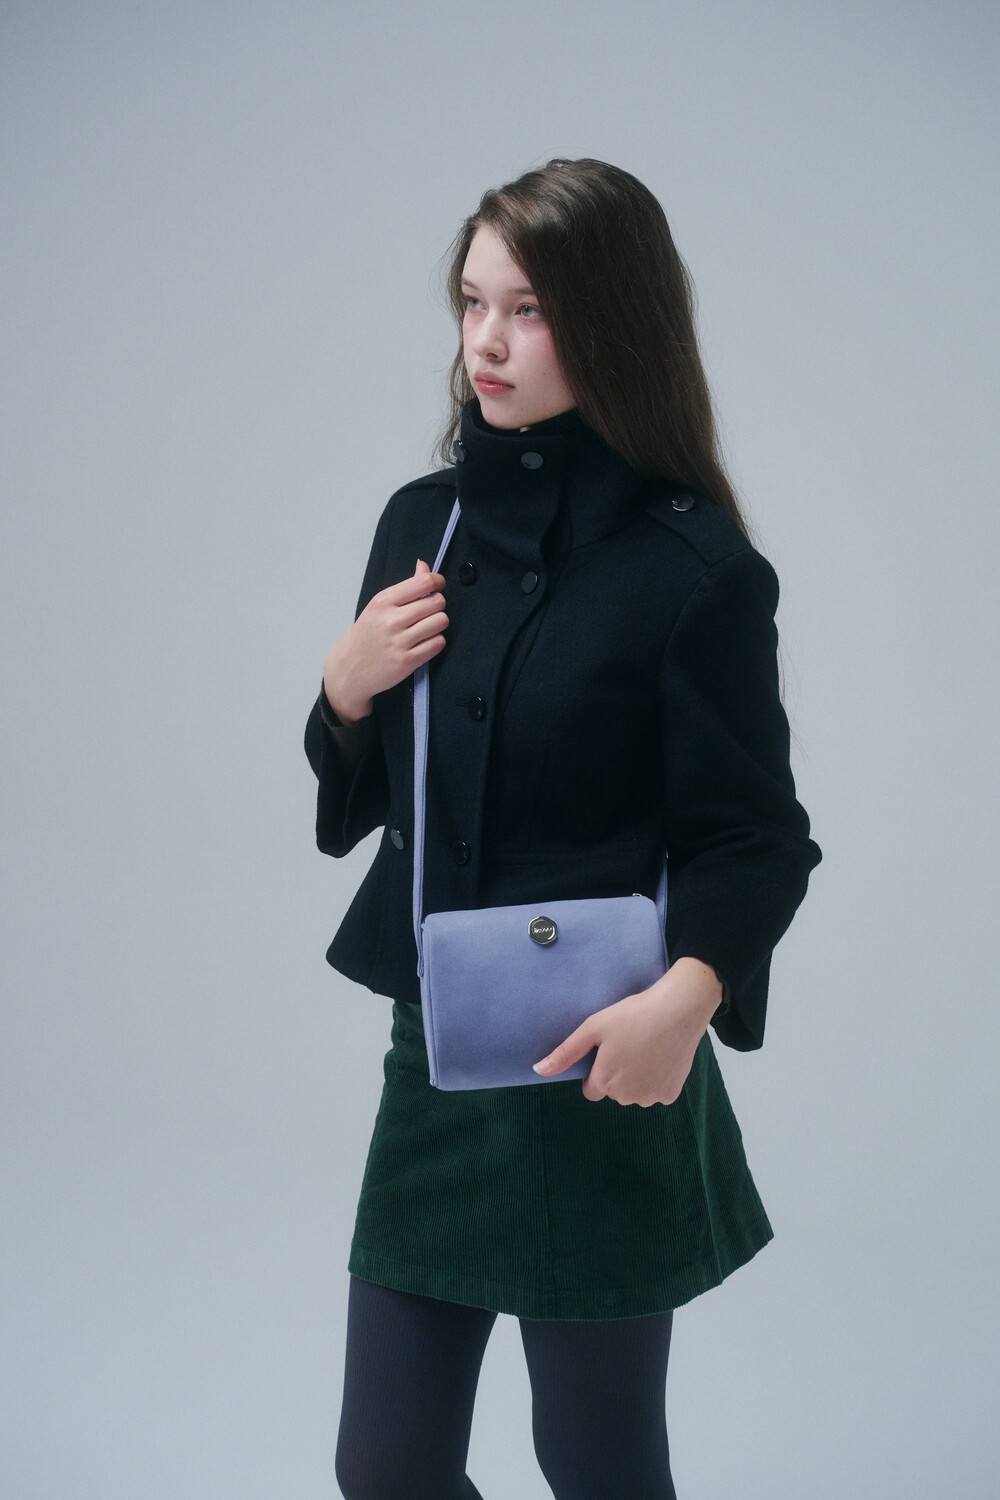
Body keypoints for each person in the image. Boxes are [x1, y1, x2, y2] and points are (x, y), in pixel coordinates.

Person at [305, 158, 821, 1500]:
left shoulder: (695, 569)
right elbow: (385, 794)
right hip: (439, 1054)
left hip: (605, 1063)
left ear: (613, 322)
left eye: (526, 309)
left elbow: (757, 840)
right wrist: (344, 694)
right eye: (472, 301)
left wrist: (684, 1005)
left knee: (596, 1464)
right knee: (386, 1467)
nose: (485, 340)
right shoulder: (425, 527)